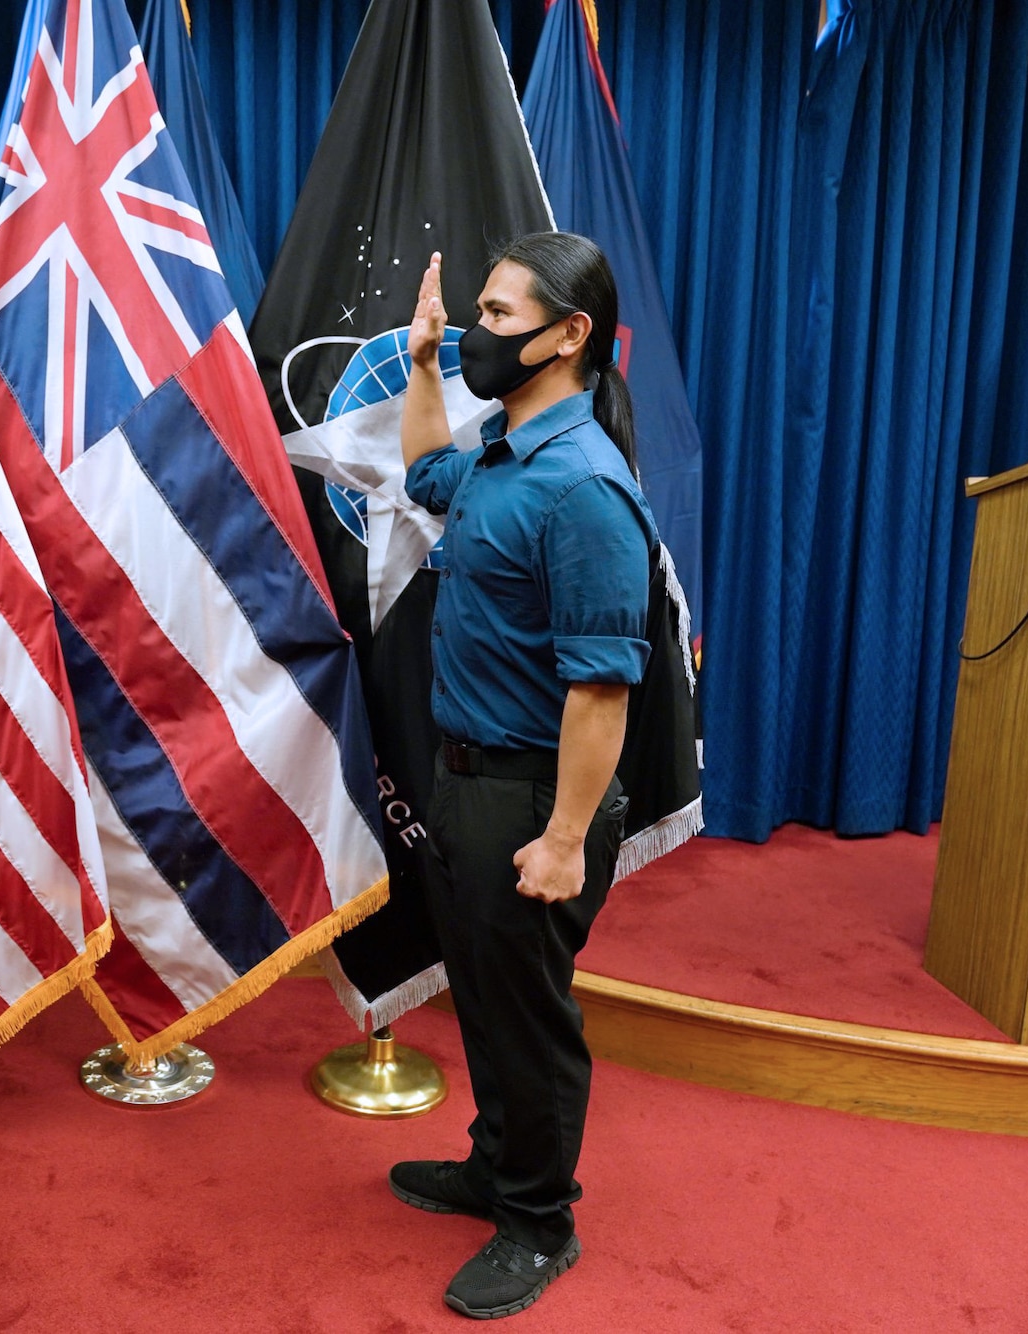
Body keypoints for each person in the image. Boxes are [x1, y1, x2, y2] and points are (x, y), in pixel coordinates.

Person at [387, 233, 656, 1320]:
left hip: (534, 800)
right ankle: (493, 1163)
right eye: (477, 312)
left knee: (529, 1019)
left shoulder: (584, 488)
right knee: (487, 1005)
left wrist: (561, 838)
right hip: (466, 782)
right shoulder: (503, 455)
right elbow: (418, 472)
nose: (473, 333)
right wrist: (414, 365)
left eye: (496, 316)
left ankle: (539, 1218)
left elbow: (601, 693)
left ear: (569, 335)